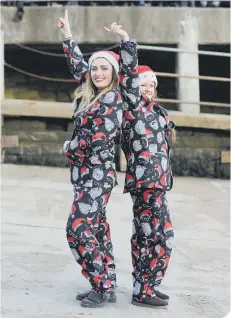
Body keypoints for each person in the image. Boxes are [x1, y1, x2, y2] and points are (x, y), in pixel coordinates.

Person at [105, 23, 175, 308]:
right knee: (154, 236)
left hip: (159, 185)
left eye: (151, 84)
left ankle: (146, 285)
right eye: (143, 83)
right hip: (144, 185)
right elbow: (129, 77)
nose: (146, 88)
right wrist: (126, 42)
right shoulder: (132, 111)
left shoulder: (161, 114)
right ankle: (143, 291)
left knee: (158, 236)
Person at [58, 11, 123, 308]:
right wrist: (68, 35)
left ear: (113, 73)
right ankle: (105, 282)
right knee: (96, 228)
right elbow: (78, 67)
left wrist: (70, 147)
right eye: (94, 68)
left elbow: (99, 138)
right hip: (85, 175)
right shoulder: (90, 94)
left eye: (103, 69)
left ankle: (101, 283)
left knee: (78, 228)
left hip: (97, 174)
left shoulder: (112, 99)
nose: (97, 73)